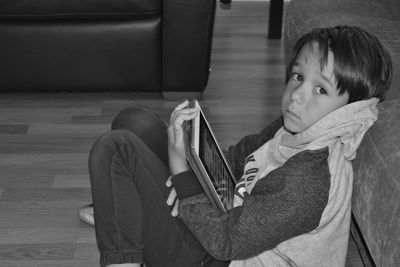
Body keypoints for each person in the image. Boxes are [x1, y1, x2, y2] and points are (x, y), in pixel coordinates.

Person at [84, 25, 392, 267]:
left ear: (346, 111)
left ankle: (125, 228)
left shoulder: (308, 181)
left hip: (223, 256)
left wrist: (182, 173)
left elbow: (226, 242)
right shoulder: (297, 127)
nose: (297, 94)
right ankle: (125, 211)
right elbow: (239, 157)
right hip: (224, 217)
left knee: (115, 149)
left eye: (320, 89)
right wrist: (193, 161)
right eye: (298, 76)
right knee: (134, 120)